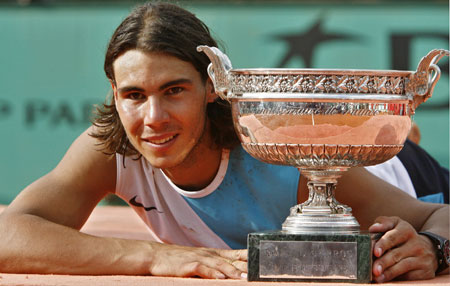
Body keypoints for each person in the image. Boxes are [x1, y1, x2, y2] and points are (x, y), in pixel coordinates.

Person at [0, 1, 448, 282]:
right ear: (114, 96)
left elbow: (437, 216)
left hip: (406, 174)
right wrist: (154, 258)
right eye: (134, 95)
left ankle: (405, 136)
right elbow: (8, 234)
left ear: (212, 87)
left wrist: (433, 246)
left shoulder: (280, 151)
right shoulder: (114, 146)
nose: (153, 118)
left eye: (174, 90)